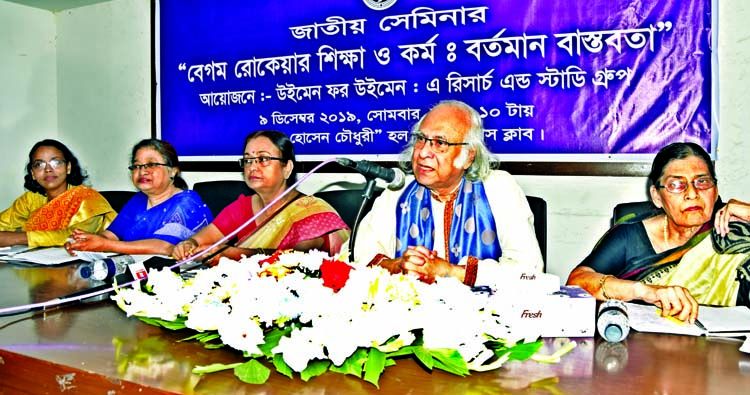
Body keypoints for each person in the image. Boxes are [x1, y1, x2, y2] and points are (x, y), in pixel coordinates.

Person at [354, 100, 543, 286]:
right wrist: (399, 266)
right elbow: (361, 257)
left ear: (468, 156)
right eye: (421, 138)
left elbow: (529, 270)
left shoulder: (498, 187)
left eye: (439, 143)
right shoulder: (398, 191)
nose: (423, 152)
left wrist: (449, 271)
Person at [567, 142, 750, 323]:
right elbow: (576, 282)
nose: (692, 194)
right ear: (656, 196)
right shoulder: (630, 236)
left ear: (715, 190)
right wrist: (646, 291)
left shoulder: (738, 229)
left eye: (702, 182)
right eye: (677, 185)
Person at [172, 130, 350, 261]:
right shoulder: (241, 207)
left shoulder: (310, 212)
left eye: (263, 159)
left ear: (287, 167)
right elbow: (201, 239)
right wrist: (188, 245)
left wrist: (237, 255)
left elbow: (297, 259)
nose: (253, 167)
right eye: (248, 160)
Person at [65, 139, 213, 256]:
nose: (142, 171)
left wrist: (105, 245)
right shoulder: (139, 200)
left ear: (172, 171)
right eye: (136, 166)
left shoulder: (187, 202)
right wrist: (85, 242)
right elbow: (111, 235)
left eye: (151, 164)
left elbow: (165, 247)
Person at [0, 139, 115, 248]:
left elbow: (77, 237)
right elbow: (3, 222)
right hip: (37, 262)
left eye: (56, 162)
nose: (48, 169)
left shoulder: (88, 200)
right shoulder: (31, 199)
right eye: (39, 164)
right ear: (32, 173)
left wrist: (20, 238)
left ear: (68, 167)